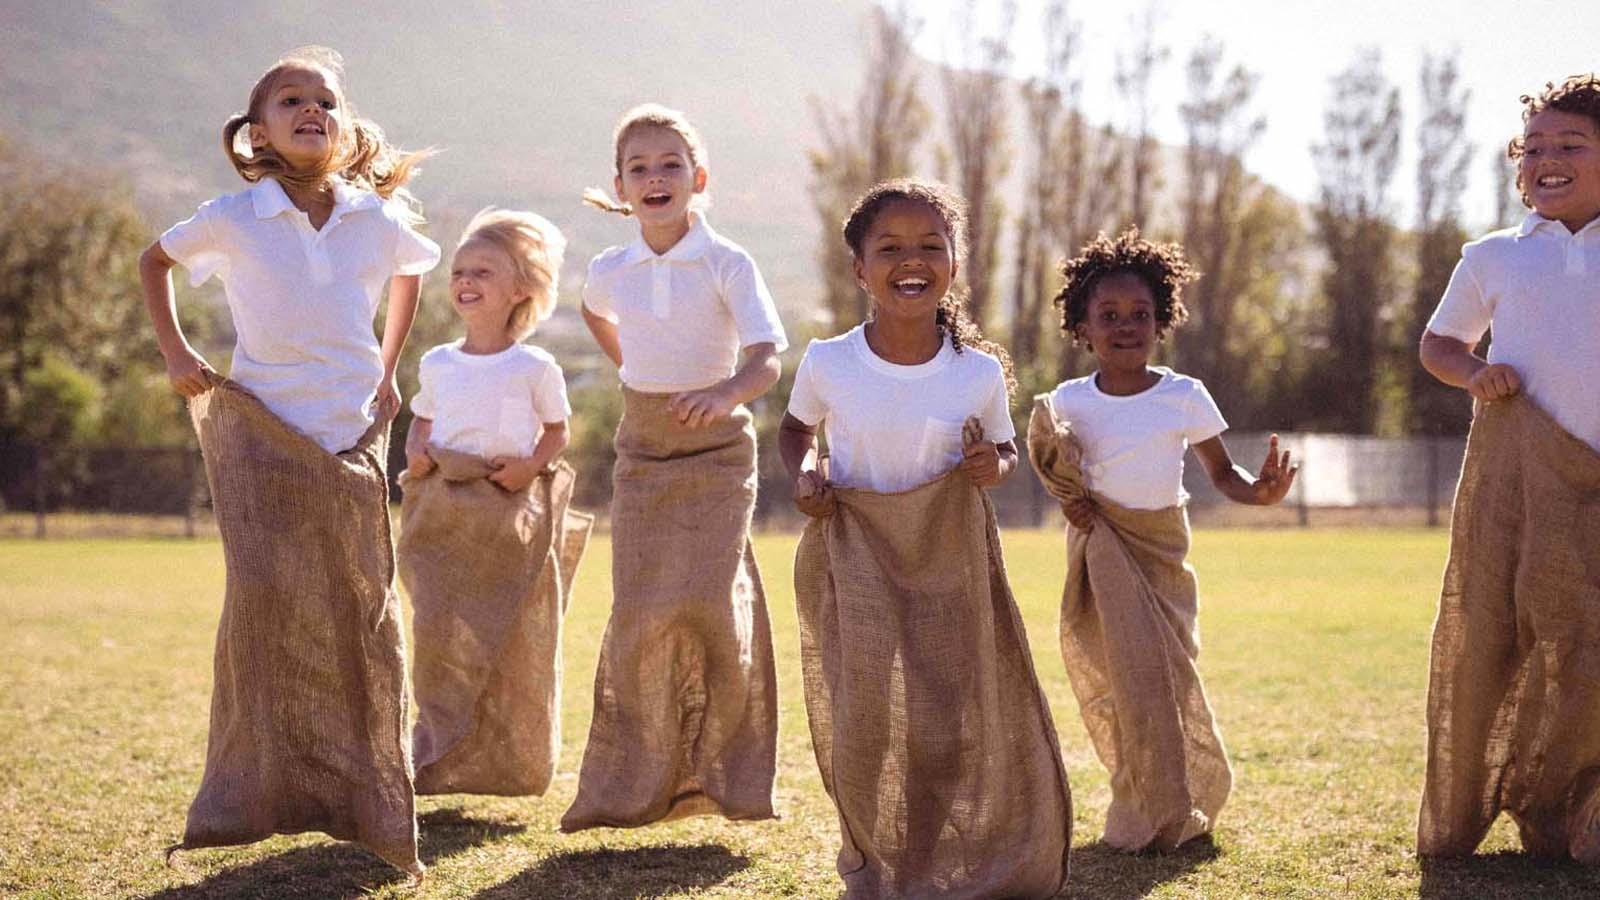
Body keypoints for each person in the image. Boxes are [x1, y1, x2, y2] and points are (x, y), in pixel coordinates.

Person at [138, 46, 438, 875]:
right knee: (266, 607)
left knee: (363, 615)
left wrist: (388, 368)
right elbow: (153, 261)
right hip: (263, 437)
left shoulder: (371, 219)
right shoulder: (234, 216)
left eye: (327, 102)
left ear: (343, 130)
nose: (313, 110)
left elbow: (411, 274)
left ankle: (369, 802)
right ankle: (248, 797)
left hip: (350, 440)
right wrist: (176, 353)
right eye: (292, 101)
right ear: (257, 133)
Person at [781, 178, 1073, 899]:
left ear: (953, 263)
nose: (910, 260)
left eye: (929, 246)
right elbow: (793, 433)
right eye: (889, 248)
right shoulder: (829, 362)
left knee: (943, 720)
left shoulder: (975, 373)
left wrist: (992, 464)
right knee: (860, 719)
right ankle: (868, 861)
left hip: (948, 560)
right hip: (854, 555)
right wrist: (808, 470)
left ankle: (919, 853)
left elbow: (1005, 452)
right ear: (859, 270)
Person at [1027, 226, 1295, 852]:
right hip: (1103, 558)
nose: (1126, 326)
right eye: (1109, 315)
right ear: (1083, 327)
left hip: (1163, 555)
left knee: (1171, 677)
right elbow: (1058, 474)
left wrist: (1261, 492)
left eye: (1140, 314)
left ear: (1161, 321)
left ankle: (1186, 798)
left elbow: (1222, 473)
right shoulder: (1067, 402)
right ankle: (1144, 807)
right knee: (1128, 683)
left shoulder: (1182, 396)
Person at [561, 103, 786, 832]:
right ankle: (635, 779)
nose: (655, 178)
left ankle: (729, 778)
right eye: (639, 168)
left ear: (699, 178)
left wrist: (723, 395)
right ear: (620, 187)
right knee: (641, 610)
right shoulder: (611, 268)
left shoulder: (728, 262)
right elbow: (595, 313)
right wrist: (630, 364)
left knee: (710, 605)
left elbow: (766, 360)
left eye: (670, 165)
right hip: (643, 451)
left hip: (719, 452)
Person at [1416, 73, 1600, 864]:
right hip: (1519, 490)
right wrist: (1474, 374)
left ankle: (1576, 804)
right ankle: (1484, 801)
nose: (1547, 161)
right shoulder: (1494, 256)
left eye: (1571, 145)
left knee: (1583, 641)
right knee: (1501, 635)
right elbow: (1438, 344)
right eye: (1533, 149)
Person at [398, 208, 591, 799]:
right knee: (437, 634)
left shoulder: (535, 366)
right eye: (459, 271)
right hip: (442, 511)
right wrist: (419, 456)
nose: (466, 281)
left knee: (506, 639)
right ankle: (435, 752)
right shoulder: (438, 362)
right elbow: (418, 424)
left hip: (506, 515)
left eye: (483, 271)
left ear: (521, 292)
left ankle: (506, 762)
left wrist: (530, 467)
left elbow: (557, 432)